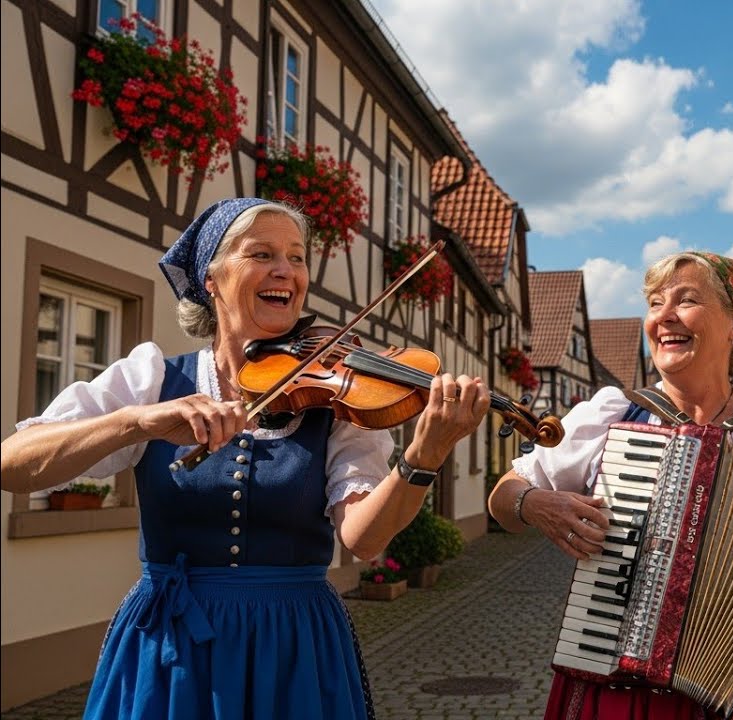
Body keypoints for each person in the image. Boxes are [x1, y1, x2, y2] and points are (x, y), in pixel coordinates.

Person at [0, 198, 489, 719]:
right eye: (262, 254)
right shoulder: (152, 379)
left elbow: (364, 539)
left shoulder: (335, 398)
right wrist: (135, 422)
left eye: (297, 257)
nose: (286, 271)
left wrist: (423, 455)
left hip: (295, 645)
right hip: (173, 645)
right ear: (211, 280)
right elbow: (13, 464)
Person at [488, 252, 733, 720]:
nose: (664, 316)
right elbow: (504, 497)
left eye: (686, 300)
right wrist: (534, 504)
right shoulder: (613, 414)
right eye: (655, 303)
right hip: (615, 688)